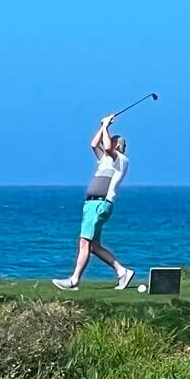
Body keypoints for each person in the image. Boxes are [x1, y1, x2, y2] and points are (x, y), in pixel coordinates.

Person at [53, 114, 135, 291]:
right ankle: (123, 272)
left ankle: (74, 280)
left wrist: (106, 126)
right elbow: (93, 144)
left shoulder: (120, 159)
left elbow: (106, 146)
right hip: (92, 204)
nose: (110, 143)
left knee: (84, 242)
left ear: (118, 146)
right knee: (94, 246)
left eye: (113, 142)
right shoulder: (106, 159)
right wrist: (103, 126)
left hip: (99, 203)